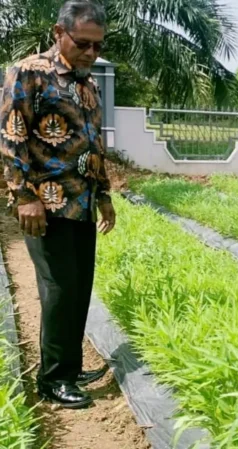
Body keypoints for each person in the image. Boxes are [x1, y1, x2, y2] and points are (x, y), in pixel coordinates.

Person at [0, 1, 116, 409]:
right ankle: (52, 381)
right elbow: (12, 138)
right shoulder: (29, 72)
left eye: (97, 46)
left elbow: (94, 143)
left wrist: (103, 195)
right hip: (45, 205)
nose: (90, 52)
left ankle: (68, 365)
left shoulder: (89, 82)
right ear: (59, 33)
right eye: (82, 43)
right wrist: (24, 196)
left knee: (79, 287)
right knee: (58, 288)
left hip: (82, 203)